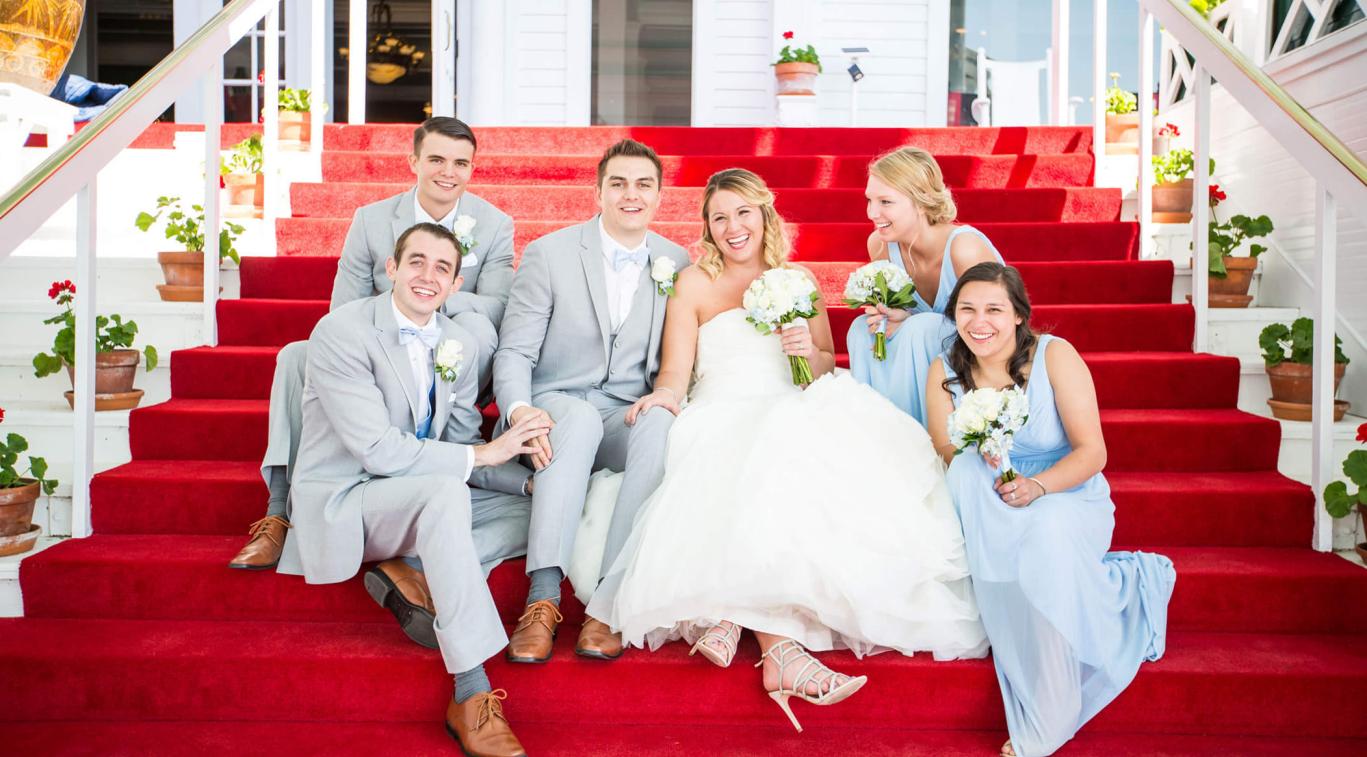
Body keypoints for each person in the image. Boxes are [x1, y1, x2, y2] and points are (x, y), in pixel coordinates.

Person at [585, 169, 988, 733]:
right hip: (720, 407)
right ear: (707, 225)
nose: (733, 227)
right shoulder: (693, 284)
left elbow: (824, 360)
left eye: (743, 212)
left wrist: (805, 350)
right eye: (719, 217)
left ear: (765, 215)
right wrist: (663, 399)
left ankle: (728, 614)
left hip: (792, 402)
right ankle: (782, 653)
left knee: (793, 448)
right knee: (747, 449)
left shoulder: (796, 277)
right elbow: (676, 372)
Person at [276, 223, 548, 757]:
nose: (428, 276)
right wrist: (485, 455)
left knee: (538, 512)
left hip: (413, 494)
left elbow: (464, 443)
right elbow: (376, 450)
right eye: (417, 262)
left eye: (442, 268)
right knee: (444, 497)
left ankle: (417, 569)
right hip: (348, 498)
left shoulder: (458, 344)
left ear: (455, 284)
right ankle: (470, 691)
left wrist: (533, 483)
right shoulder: (341, 332)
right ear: (392, 268)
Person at [230, 116, 517, 570]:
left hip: (452, 354)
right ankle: (280, 509)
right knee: (296, 356)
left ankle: (427, 465)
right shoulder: (371, 220)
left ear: (472, 168)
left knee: (477, 333)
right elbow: (342, 309)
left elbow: (497, 308)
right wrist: (391, 320)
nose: (448, 172)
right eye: (437, 159)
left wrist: (427, 309)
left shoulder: (495, 224)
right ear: (414, 161)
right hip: (373, 345)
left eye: (461, 163)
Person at [925, 262, 1176, 757]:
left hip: (1063, 491)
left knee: (1045, 537)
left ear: (1019, 315)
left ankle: (1054, 710)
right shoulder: (945, 369)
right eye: (967, 309)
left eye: (994, 309)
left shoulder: (1055, 357)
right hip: (992, 494)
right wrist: (991, 453)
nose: (980, 322)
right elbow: (947, 449)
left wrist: (1037, 486)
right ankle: (1020, 639)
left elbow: (1092, 452)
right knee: (970, 475)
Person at [492, 139, 693, 663]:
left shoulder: (675, 261)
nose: (631, 195)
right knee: (577, 416)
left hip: (623, 411)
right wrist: (519, 412)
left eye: (644, 185)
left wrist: (663, 396)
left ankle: (609, 602)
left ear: (659, 195)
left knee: (660, 422)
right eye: (619, 183)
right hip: (555, 405)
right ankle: (541, 600)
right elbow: (514, 351)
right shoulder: (550, 253)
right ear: (598, 191)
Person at [847, 146, 1002, 426]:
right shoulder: (881, 245)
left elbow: (998, 321)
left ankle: (931, 437)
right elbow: (899, 323)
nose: (872, 212)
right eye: (869, 200)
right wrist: (893, 316)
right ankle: (878, 431)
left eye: (885, 202)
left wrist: (913, 321)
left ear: (920, 202)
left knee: (922, 327)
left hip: (978, 353)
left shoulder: (964, 248)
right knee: (862, 329)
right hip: (918, 359)